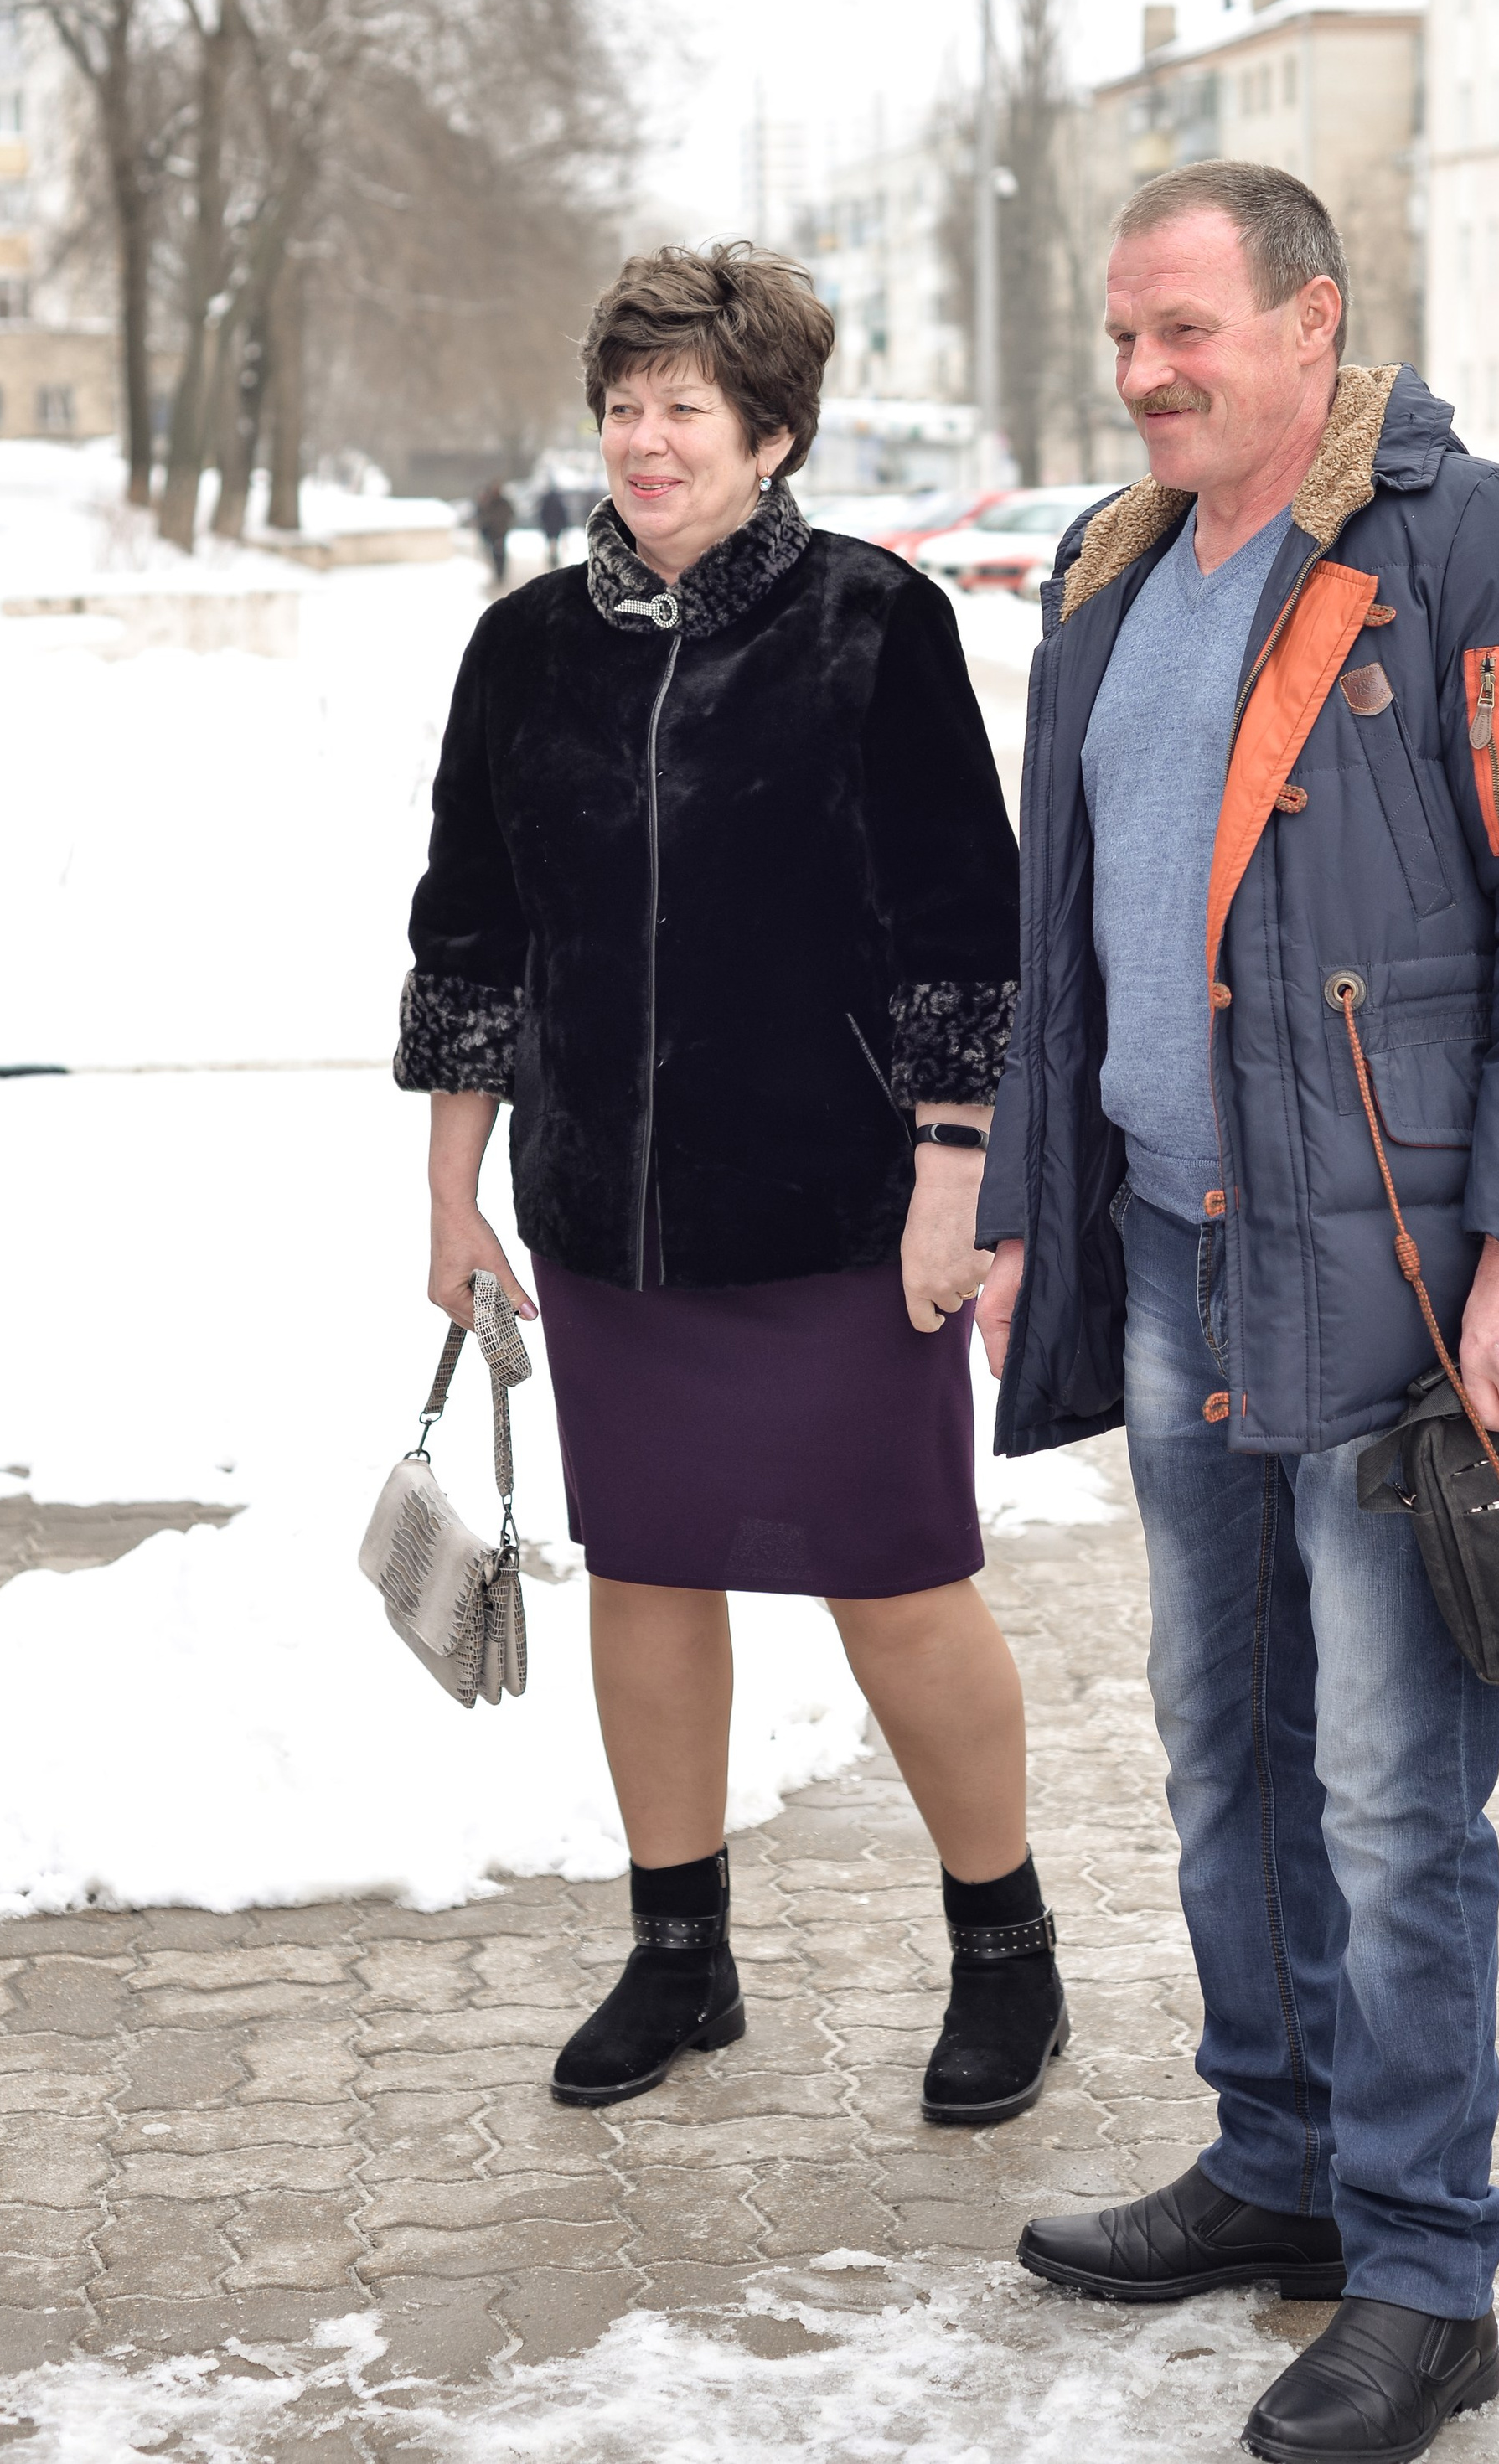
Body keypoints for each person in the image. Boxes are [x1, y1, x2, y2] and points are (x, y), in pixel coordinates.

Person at [976, 163, 1499, 2464]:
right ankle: (1274, 2157)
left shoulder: (1472, 550)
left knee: (1394, 1795)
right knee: (1221, 1753)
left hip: (1391, 1272)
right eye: (1124, 336)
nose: (1151, 373)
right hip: (1177, 1254)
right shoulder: (1105, 578)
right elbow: (1061, 936)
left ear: (1312, 323)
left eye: (1187, 328)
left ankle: (1420, 2269)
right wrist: (1020, 1213)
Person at [397, 241, 1067, 2126]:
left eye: (684, 407)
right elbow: (471, 939)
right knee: (650, 1570)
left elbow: (962, 933)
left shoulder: (873, 624)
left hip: (842, 1213)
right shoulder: (523, 647)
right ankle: (677, 1954)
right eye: (620, 407)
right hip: (606, 1214)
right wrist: (456, 1200)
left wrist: (952, 1175)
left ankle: (1006, 1956)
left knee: (899, 1580)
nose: (643, 439)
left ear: (770, 431)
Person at [472, 479, 516, 587]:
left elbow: (510, 514)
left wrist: (505, 525)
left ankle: (500, 573)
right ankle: (498, 573)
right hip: (492, 533)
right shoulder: (489, 502)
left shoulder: (504, 502)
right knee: (494, 554)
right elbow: (483, 515)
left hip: (501, 532)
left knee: (500, 554)